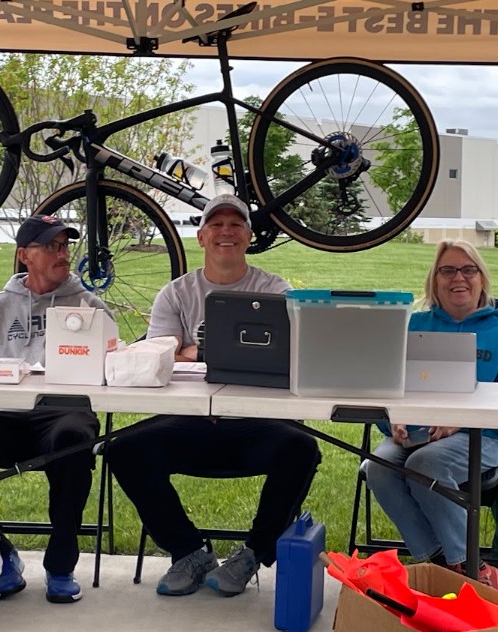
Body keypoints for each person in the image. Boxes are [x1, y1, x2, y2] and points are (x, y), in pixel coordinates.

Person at [107, 194, 322, 598]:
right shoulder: (176, 293)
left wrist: (194, 350)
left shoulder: (275, 289)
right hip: (188, 420)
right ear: (202, 237)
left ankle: (253, 555)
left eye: (236, 224)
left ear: (249, 236)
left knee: (302, 449)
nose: (227, 232)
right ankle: (188, 552)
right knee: (123, 450)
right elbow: (158, 354)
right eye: (217, 225)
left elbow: (291, 352)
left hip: (255, 421)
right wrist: (230, 352)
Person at [0, 215, 113, 604]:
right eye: (51, 246)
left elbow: (115, 364)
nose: (62, 253)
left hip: (65, 409)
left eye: (65, 245)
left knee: (74, 439)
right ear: (24, 256)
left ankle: (61, 563)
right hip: (5, 412)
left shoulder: (89, 304)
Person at [364, 239, 498, 592]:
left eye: (468, 269)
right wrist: (392, 420)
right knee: (376, 467)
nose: (458, 278)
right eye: (448, 270)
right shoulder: (412, 325)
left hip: (482, 437)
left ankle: (464, 564)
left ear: (481, 278)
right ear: (435, 279)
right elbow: (385, 385)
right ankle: (445, 564)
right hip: (414, 433)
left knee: (426, 464)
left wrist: (464, 420)